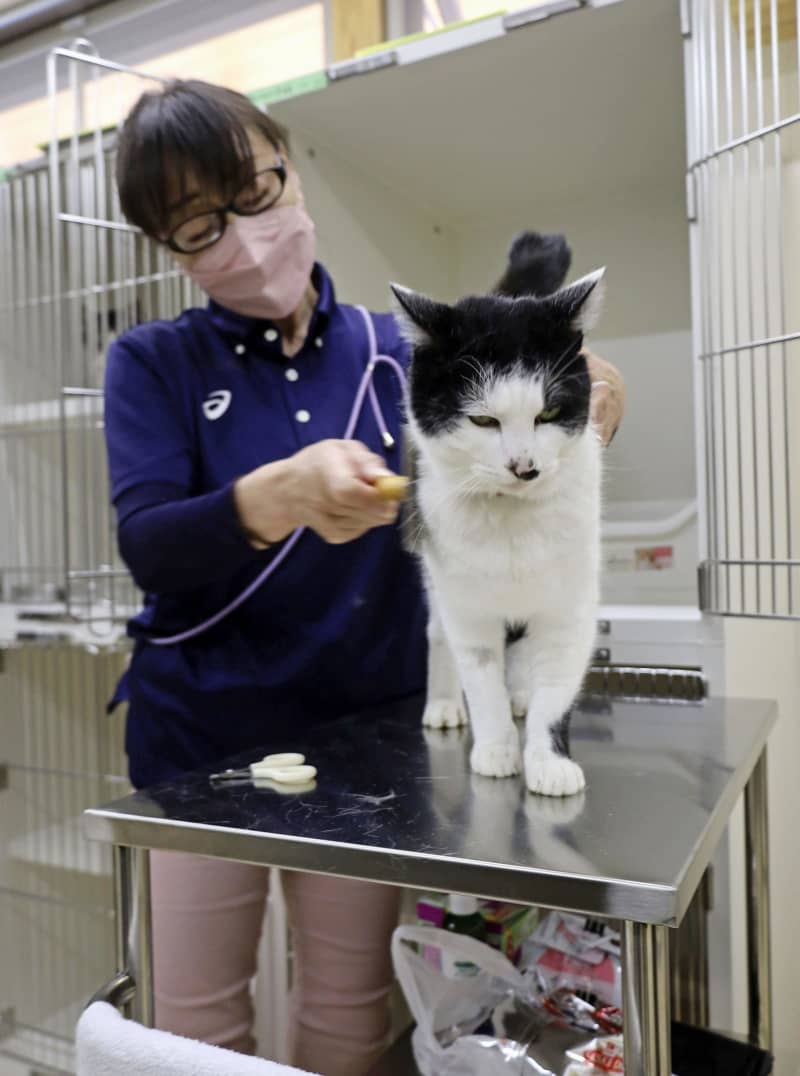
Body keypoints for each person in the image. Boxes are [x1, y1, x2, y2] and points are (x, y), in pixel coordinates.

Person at [104, 79, 625, 1076]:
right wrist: (278, 494)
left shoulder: (400, 353)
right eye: (199, 225)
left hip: (362, 743)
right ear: (167, 248)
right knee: (193, 1027)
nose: (245, 237)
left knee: (349, 1012)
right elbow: (152, 546)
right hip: (199, 742)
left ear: (291, 170)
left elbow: (508, 468)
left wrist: (588, 403)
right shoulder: (151, 361)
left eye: (256, 192)